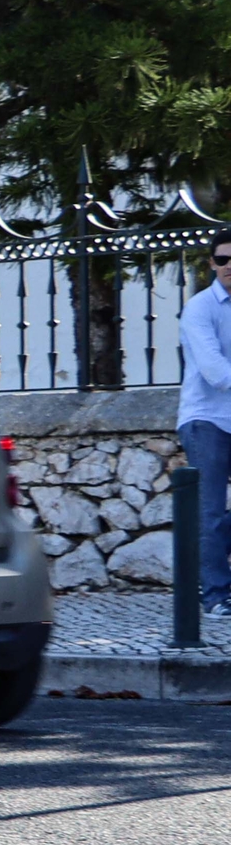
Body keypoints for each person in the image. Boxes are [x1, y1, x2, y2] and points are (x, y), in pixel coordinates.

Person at [178, 241, 231, 615]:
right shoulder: (199, 308)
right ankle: (215, 595)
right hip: (205, 420)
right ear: (212, 263)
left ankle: (204, 552)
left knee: (209, 521)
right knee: (210, 510)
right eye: (223, 259)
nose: (229, 265)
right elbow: (214, 372)